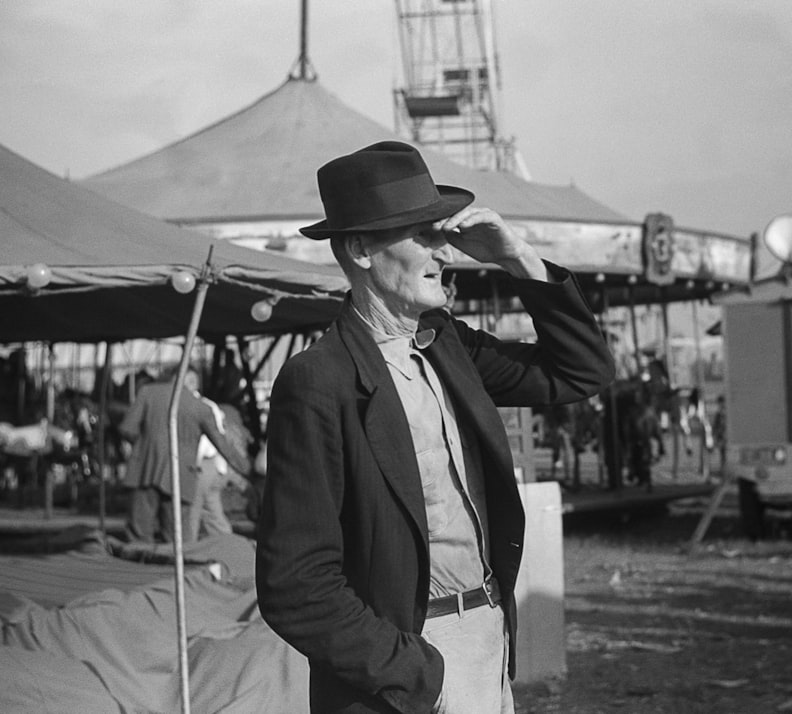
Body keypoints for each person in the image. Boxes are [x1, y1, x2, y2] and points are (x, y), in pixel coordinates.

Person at [255, 141, 615, 713]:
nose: (443, 250)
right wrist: (419, 674)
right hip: (406, 669)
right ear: (360, 250)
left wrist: (519, 257)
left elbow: (580, 371)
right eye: (421, 235)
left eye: (440, 232)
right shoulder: (319, 381)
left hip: (488, 636)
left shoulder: (449, 344)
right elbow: (295, 584)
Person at [118, 367, 250, 543]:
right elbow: (223, 445)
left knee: (139, 535)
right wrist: (247, 470)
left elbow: (127, 428)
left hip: (145, 470)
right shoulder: (201, 408)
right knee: (177, 538)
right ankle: (175, 567)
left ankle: (139, 568)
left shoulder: (148, 392)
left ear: (173, 376)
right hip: (181, 477)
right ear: (194, 383)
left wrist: (146, 445)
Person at [190, 400, 251, 540]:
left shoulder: (202, 406)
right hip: (216, 467)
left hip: (205, 466)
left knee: (191, 515)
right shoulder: (210, 407)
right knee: (212, 513)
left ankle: (187, 550)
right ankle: (232, 549)